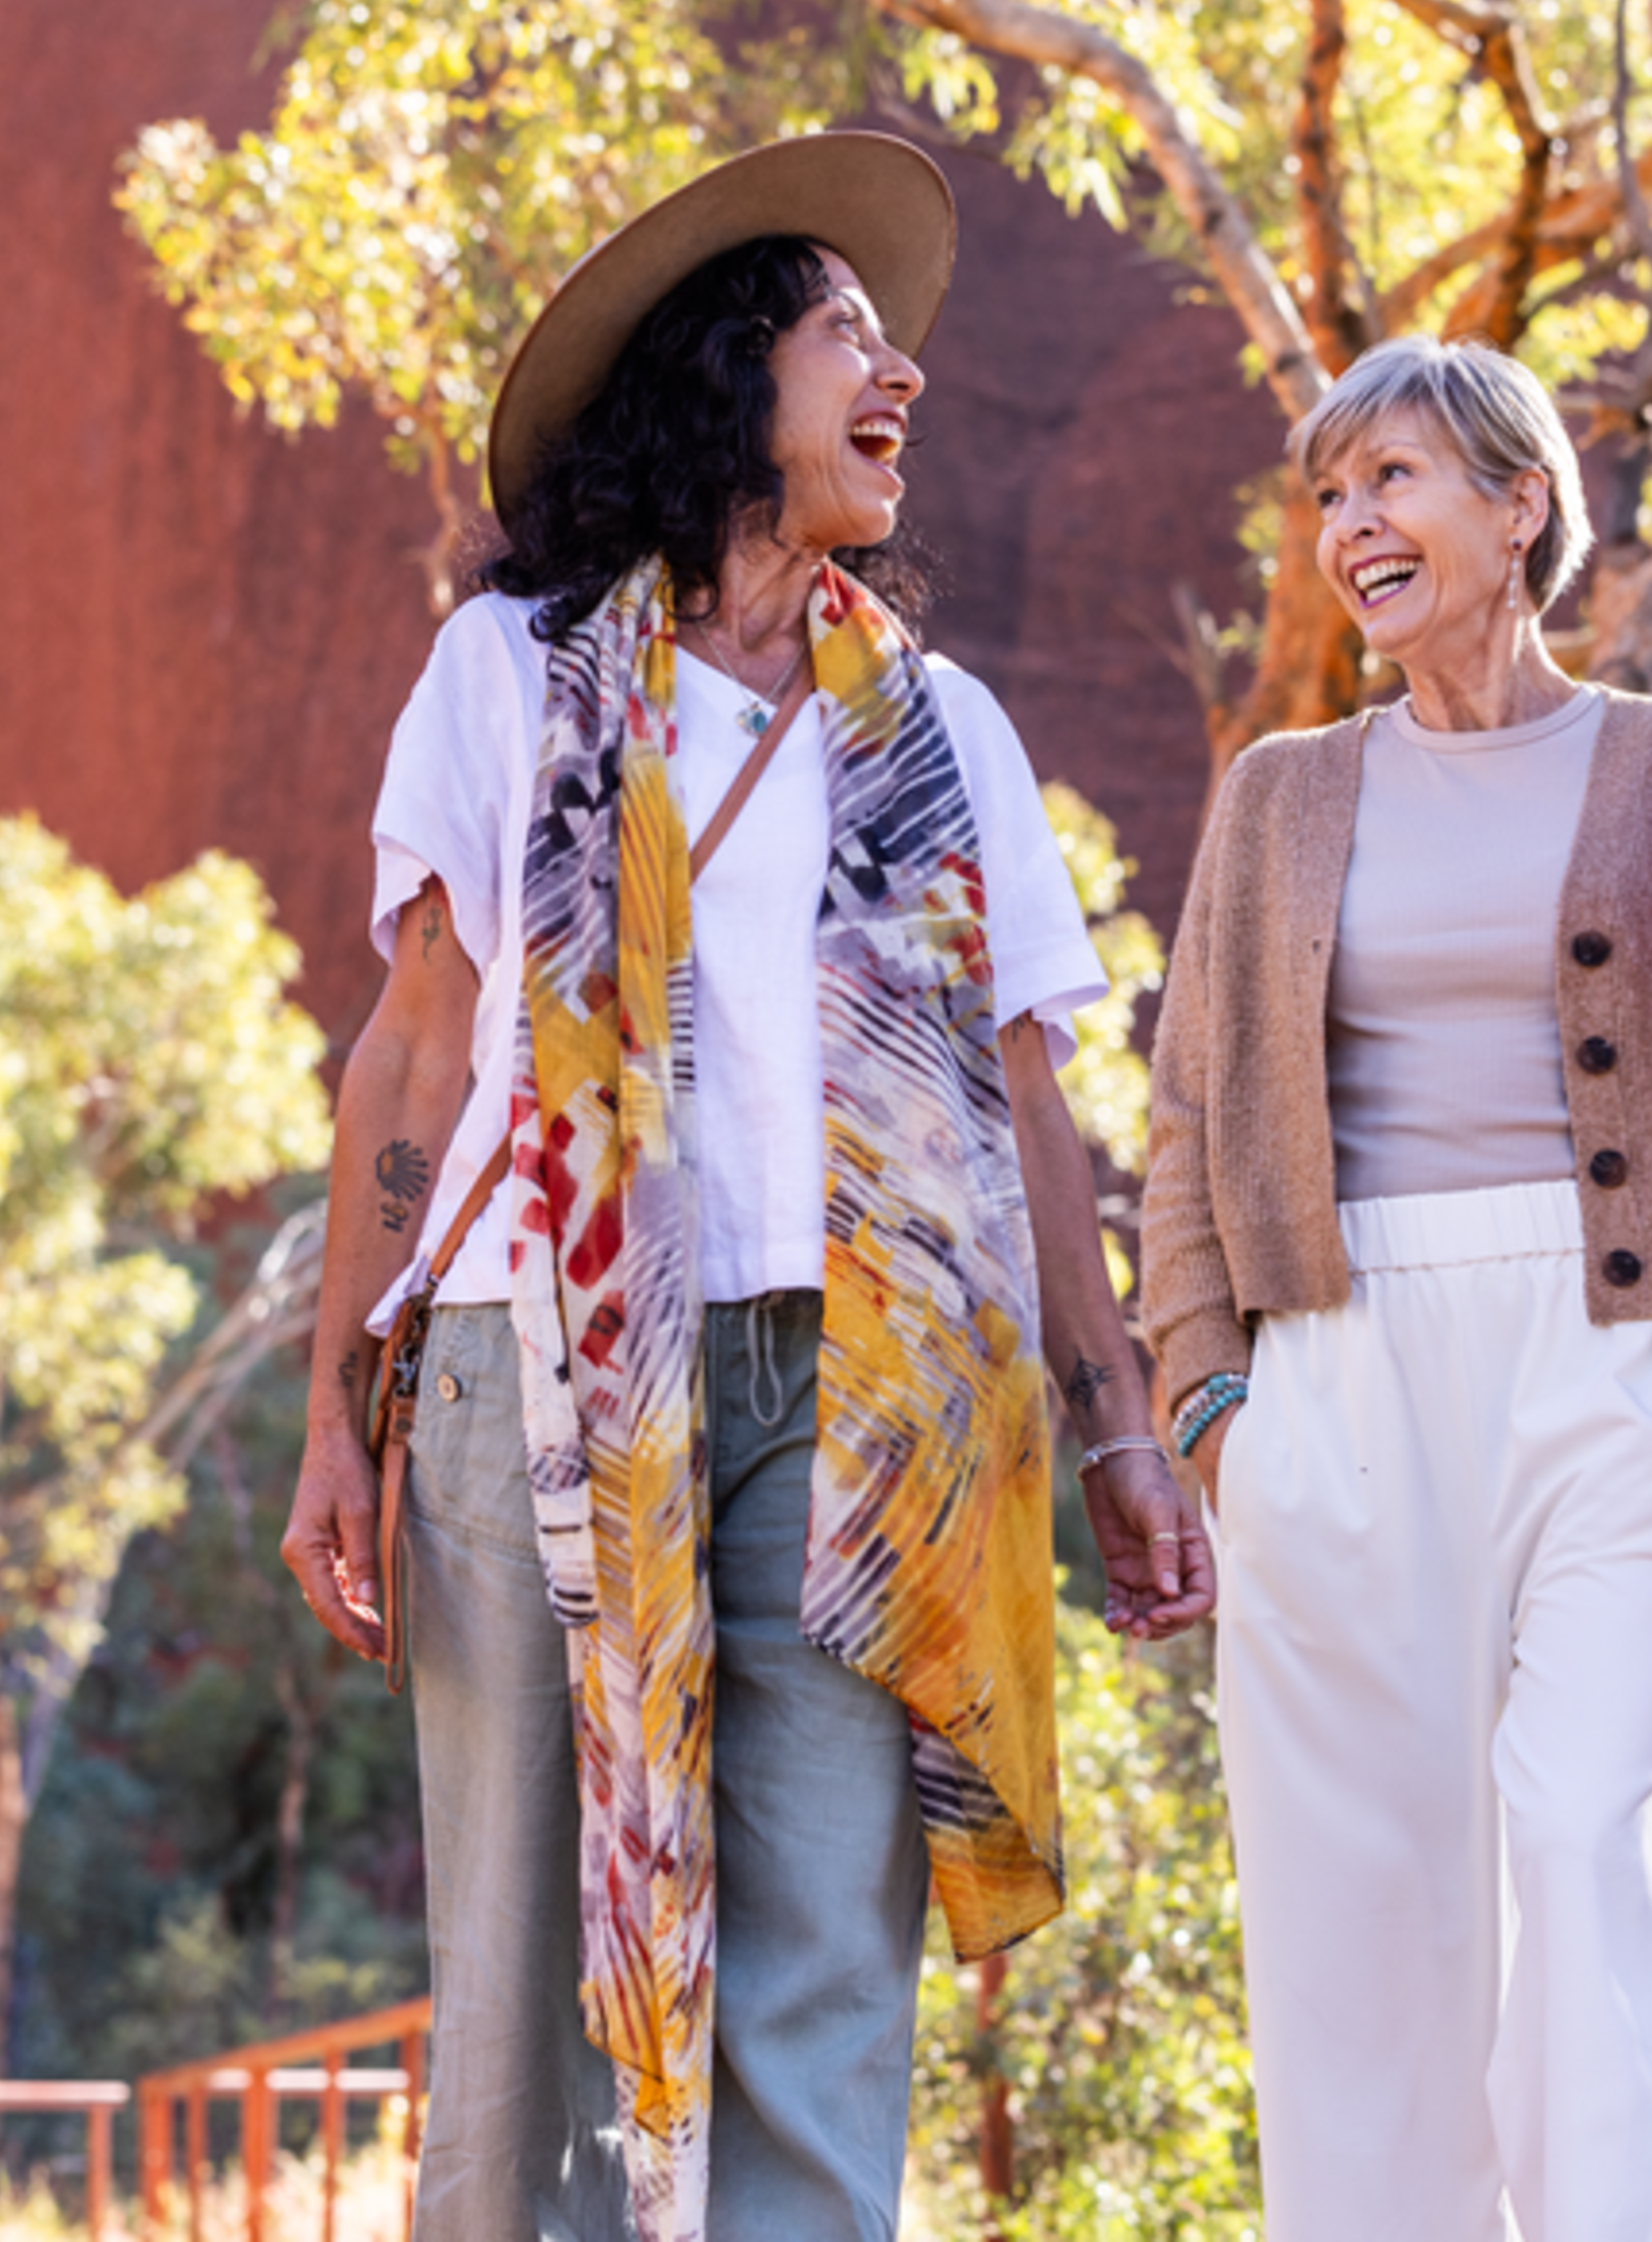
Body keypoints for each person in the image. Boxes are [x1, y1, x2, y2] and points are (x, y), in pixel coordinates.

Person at [277, 132, 1213, 2242]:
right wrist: (340, 1400)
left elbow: (1025, 1106)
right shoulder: (506, 675)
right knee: (531, 1974)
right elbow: (418, 1050)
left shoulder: (943, 728)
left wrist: (1123, 1421)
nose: (902, 380)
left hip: (871, 1391)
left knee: (819, 1971)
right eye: (846, 338)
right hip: (539, 1359)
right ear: (728, 378)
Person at [1141, 336, 1652, 2242]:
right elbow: (1192, 1102)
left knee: (1585, 1832)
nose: (1353, 525)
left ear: (1520, 500)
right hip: (1336, 1365)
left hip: (1614, 1358)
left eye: (1396, 482)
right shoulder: (1280, 794)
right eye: (1334, 496)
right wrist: (1213, 1397)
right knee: (1361, 1896)